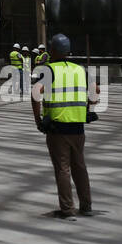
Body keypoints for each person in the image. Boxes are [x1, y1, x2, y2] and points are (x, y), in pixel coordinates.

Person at [32, 33, 98, 219]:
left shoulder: (49, 70)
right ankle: (86, 206)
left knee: (63, 169)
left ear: (52, 50)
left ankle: (67, 210)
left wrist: (38, 120)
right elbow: (96, 90)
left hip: (57, 129)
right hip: (78, 127)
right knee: (80, 166)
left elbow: (35, 93)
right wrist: (89, 109)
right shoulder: (80, 70)